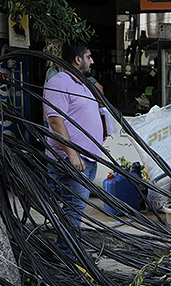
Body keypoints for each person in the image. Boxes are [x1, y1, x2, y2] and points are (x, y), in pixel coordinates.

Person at [44, 41, 106, 256]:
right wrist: (72, 154)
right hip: (71, 158)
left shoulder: (82, 83)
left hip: (87, 158)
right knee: (74, 207)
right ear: (77, 59)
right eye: (88, 56)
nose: (92, 60)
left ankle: (68, 251)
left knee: (75, 208)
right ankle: (67, 254)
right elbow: (55, 122)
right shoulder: (58, 82)